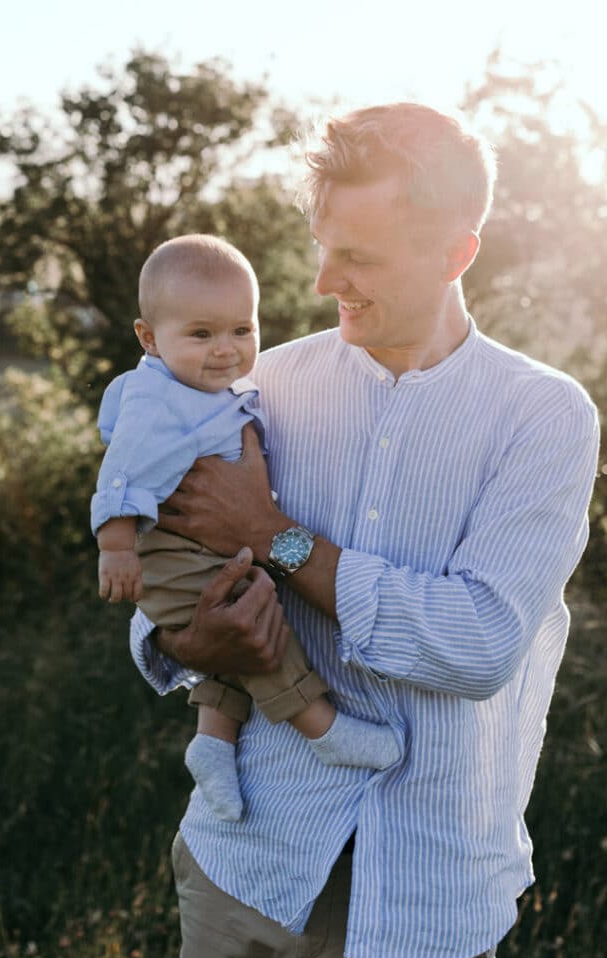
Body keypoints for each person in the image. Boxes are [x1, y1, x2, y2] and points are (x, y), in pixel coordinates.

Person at [130, 103, 600, 958]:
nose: (320, 280)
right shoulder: (261, 384)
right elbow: (166, 580)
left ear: (456, 254)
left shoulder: (543, 417)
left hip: (418, 906)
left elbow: (475, 645)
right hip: (241, 871)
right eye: (323, 245)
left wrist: (277, 537)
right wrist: (191, 633)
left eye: (360, 258)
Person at [92, 234, 398, 822]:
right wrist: (117, 548)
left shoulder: (217, 388)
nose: (226, 350)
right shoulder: (157, 399)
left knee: (242, 612)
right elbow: (121, 472)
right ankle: (320, 725)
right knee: (250, 610)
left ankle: (213, 741)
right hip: (171, 552)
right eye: (201, 334)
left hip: (207, 549)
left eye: (242, 330)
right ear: (150, 339)